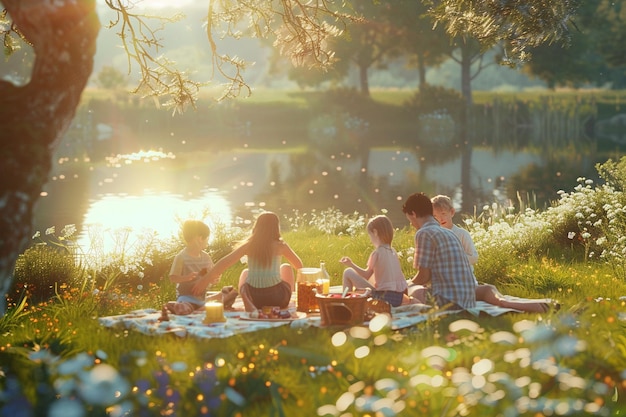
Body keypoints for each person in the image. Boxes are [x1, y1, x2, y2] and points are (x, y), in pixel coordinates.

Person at [431, 194, 552, 313]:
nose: (440, 219)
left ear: (451, 212)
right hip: (445, 284)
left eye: (443, 214)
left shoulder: (462, 234)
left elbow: (474, 258)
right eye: (436, 216)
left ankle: (539, 306)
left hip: (464, 282)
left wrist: (454, 259)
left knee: (497, 299)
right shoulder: (435, 236)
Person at [193, 211, 303, 312]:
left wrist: (205, 280)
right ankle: (291, 297)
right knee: (286, 267)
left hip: (254, 299)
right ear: (276, 228)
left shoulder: (248, 246)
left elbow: (224, 263)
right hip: (278, 299)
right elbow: (299, 266)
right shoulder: (280, 246)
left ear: (257, 227)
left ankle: (245, 297)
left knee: (246, 273)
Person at [402, 192, 476, 310]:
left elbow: (423, 277)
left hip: (447, 302)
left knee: (410, 290)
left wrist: (405, 286)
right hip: (469, 300)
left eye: (409, 219)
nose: (411, 223)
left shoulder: (424, 233)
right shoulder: (449, 233)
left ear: (413, 214)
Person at [339, 215, 409, 307]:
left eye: (370, 235)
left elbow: (366, 275)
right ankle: (351, 299)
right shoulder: (393, 251)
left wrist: (350, 264)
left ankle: (346, 305)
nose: (370, 239)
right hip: (398, 298)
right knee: (368, 282)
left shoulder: (377, 253)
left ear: (375, 232)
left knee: (348, 272)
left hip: (383, 298)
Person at [165, 220, 214, 315]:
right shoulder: (181, 257)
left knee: (227, 293)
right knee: (186, 305)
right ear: (200, 238)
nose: (207, 242)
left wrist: (214, 279)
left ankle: (196, 309)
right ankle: (182, 307)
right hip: (186, 297)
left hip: (203, 298)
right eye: (207, 239)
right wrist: (186, 278)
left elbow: (213, 274)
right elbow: (172, 277)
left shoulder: (206, 257)